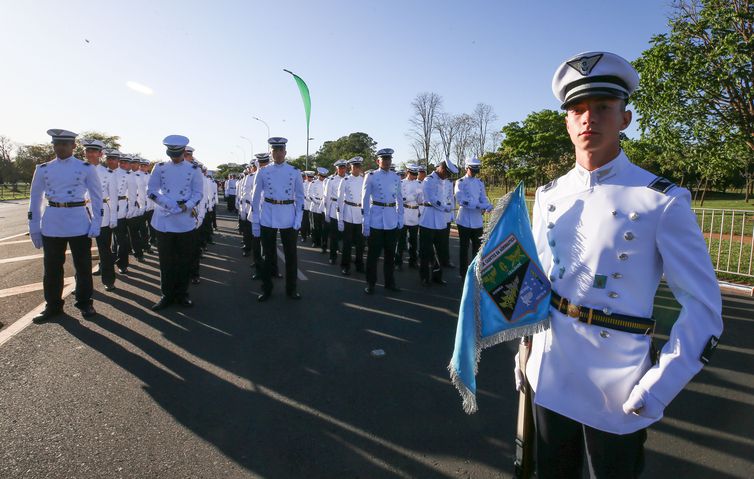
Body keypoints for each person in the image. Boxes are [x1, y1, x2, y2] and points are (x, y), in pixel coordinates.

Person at [515, 51, 724, 478]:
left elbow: (704, 311)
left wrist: (659, 386)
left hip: (619, 382)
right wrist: (524, 348)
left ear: (624, 119)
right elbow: (535, 282)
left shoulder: (660, 199)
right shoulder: (549, 195)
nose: (589, 118)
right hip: (550, 370)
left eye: (602, 108)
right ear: (568, 123)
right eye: (578, 109)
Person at [28, 129, 102, 320]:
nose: (60, 148)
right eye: (57, 144)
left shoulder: (86, 167)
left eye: (64, 144)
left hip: (78, 220)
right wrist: (34, 227)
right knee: (52, 269)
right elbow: (35, 199)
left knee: (83, 267)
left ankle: (85, 303)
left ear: (73, 146)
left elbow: (96, 197)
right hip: (53, 221)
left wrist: (96, 223)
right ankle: (53, 306)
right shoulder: (43, 168)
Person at [147, 135, 204, 310]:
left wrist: (186, 206)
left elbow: (198, 193)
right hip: (164, 218)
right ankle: (167, 295)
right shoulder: (160, 167)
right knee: (166, 261)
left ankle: (182, 294)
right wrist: (167, 204)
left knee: (184, 260)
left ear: (183, 152)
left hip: (185, 219)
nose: (175, 158)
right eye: (172, 154)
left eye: (178, 154)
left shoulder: (194, 169)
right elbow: (151, 190)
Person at [251, 137, 305, 301]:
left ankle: (291, 289)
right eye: (275, 150)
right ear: (271, 152)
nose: (278, 153)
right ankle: (266, 289)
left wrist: (298, 219)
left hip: (288, 214)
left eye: (280, 150)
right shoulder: (263, 171)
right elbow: (255, 197)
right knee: (267, 256)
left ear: (285, 152)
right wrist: (255, 221)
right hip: (268, 214)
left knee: (291, 256)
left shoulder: (294, 171)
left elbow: (301, 198)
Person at [361, 148, 404, 294]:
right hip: (376, 220)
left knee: (390, 255)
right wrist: (365, 221)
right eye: (384, 159)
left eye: (389, 159)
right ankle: (370, 283)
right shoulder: (371, 176)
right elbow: (365, 200)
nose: (386, 162)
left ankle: (389, 282)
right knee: (373, 255)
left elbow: (399, 198)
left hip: (391, 219)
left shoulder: (396, 177)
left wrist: (400, 217)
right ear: (377, 161)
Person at [84, 140, 118, 291]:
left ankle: (109, 280)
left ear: (100, 154)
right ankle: (81, 284)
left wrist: (114, 217)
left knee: (104, 249)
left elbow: (114, 196)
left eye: (93, 151)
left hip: (102, 211)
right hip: (81, 211)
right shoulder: (79, 169)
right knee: (81, 252)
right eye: (87, 151)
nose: (90, 154)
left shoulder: (108, 173)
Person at [418, 158, 458, 286]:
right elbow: (431, 199)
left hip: (440, 220)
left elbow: (448, 198)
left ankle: (437, 276)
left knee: (441, 250)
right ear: (440, 168)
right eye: (446, 173)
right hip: (428, 219)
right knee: (425, 251)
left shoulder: (444, 181)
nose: (447, 176)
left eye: (449, 175)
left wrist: (449, 211)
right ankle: (424, 276)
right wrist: (444, 207)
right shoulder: (428, 180)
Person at [454, 157, 492, 278]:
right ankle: (463, 273)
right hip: (464, 220)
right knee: (464, 249)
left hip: (477, 221)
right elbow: (461, 200)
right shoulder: (460, 182)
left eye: (476, 170)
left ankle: (476, 273)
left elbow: (483, 197)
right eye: (472, 169)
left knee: (477, 249)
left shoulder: (479, 183)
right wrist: (479, 206)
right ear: (467, 168)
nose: (474, 172)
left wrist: (488, 205)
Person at [337, 156, 365, 275]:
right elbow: (339, 199)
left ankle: (359, 265)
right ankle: (345, 265)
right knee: (347, 243)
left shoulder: (364, 180)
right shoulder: (345, 180)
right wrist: (340, 219)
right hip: (348, 212)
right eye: (354, 166)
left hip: (360, 214)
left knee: (360, 244)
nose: (356, 168)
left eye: (358, 166)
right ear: (350, 167)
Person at [112, 153, 138, 274]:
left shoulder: (129, 175)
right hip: (106, 208)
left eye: (125, 162)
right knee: (106, 241)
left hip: (121, 208)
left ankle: (122, 263)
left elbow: (132, 194)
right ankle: (105, 265)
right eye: (121, 162)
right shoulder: (108, 172)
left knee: (121, 240)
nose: (123, 164)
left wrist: (131, 208)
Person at [395, 163, 421, 270]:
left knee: (413, 240)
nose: (414, 176)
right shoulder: (401, 183)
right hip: (404, 212)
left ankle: (413, 261)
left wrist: (414, 197)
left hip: (414, 213)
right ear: (408, 172)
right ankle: (398, 262)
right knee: (401, 240)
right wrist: (412, 196)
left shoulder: (419, 183)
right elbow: (401, 198)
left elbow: (420, 199)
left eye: (415, 174)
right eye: (412, 173)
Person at [324, 159, 347, 265]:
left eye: (344, 168)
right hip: (334, 208)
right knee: (334, 235)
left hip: (347, 209)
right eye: (340, 168)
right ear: (336, 169)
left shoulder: (349, 179)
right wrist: (327, 212)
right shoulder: (331, 180)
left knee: (346, 236)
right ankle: (333, 256)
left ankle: (346, 256)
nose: (342, 170)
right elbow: (327, 197)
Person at [309, 167, 328, 251]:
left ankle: (324, 244)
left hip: (324, 207)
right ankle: (315, 241)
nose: (322, 178)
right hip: (315, 207)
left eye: (324, 176)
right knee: (315, 226)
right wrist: (316, 201)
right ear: (318, 175)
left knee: (324, 227)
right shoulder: (313, 183)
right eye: (321, 176)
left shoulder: (327, 182)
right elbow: (310, 194)